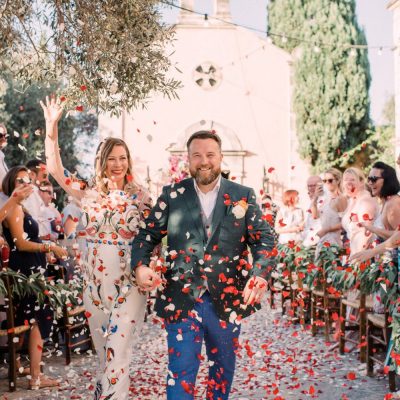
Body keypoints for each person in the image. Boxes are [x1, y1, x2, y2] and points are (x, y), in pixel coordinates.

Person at [131, 130, 275, 400]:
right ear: (188, 159)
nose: (204, 161)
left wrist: (260, 275)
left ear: (220, 157)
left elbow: (264, 240)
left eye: (210, 154)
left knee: (222, 370)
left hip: (227, 299)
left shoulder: (243, 195)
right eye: (197, 155)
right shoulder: (172, 195)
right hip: (182, 297)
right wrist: (140, 266)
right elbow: (146, 236)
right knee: (181, 371)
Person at [41, 95, 152, 400]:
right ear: (102, 161)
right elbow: (54, 167)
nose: (118, 164)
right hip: (94, 288)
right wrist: (52, 126)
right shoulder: (86, 195)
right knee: (107, 355)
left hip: (129, 286)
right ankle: (106, 392)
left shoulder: (141, 197)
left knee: (117, 354)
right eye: (112, 158)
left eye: (122, 158)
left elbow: (154, 238)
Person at [1, 166, 67, 390]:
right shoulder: (13, 209)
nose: (25, 184)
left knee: (32, 320)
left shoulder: (20, 208)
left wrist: (45, 250)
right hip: (26, 272)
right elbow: (20, 243)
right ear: (11, 184)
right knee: (37, 319)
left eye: (28, 180)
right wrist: (49, 246)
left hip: (32, 267)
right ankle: (36, 378)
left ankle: (25, 368)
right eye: (19, 180)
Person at [312, 168, 347, 250]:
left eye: (330, 180)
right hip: (322, 241)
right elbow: (315, 216)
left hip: (333, 244)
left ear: (338, 181)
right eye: (324, 181)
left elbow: (345, 222)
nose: (327, 183)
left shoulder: (341, 199)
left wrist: (326, 230)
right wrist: (315, 199)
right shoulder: (325, 199)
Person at [302, 175, 322, 248]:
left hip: (319, 240)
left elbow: (315, 216)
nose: (310, 188)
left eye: (313, 185)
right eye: (309, 186)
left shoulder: (325, 199)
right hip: (307, 239)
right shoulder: (309, 200)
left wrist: (314, 199)